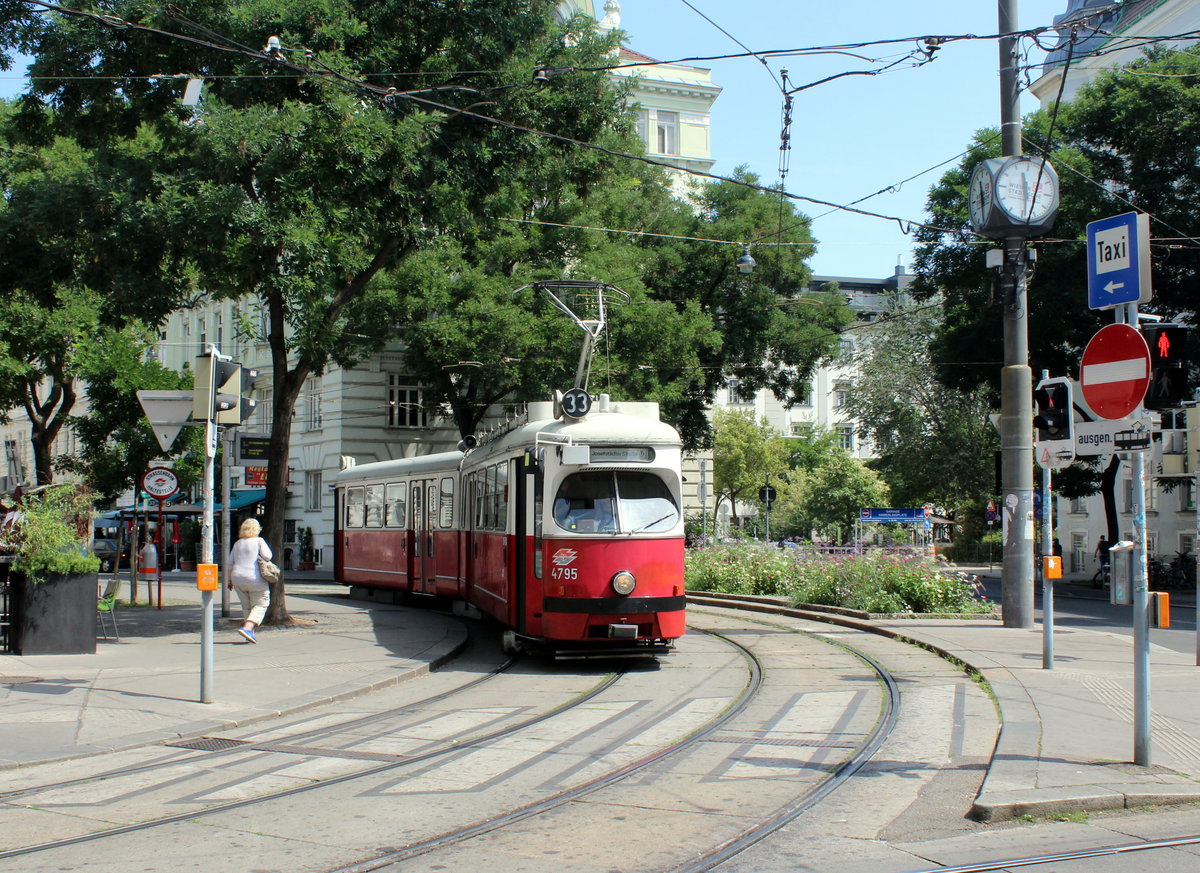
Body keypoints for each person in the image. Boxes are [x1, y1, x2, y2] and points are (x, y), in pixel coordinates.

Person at [225, 517, 272, 644]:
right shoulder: (258, 541)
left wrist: (229, 581)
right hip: (254, 577)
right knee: (261, 603)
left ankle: (249, 634)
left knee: (246, 607)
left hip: (237, 578)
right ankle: (248, 628)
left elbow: (229, 564)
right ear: (256, 529)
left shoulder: (237, 543)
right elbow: (268, 556)